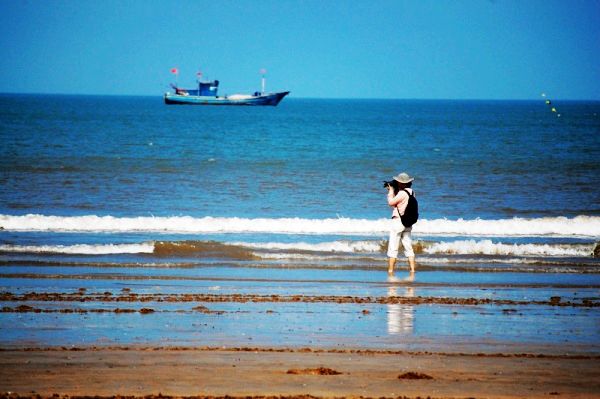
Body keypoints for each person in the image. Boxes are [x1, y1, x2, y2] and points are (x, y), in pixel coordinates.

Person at [385, 172, 416, 276]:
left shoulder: (402, 193)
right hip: (408, 223)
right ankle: (412, 270)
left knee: (393, 247)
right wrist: (394, 191)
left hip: (398, 222)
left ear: (402, 183)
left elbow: (391, 203)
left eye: (398, 182)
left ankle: (390, 271)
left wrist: (390, 192)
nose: (397, 183)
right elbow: (400, 203)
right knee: (408, 247)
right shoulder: (412, 192)